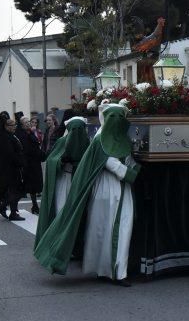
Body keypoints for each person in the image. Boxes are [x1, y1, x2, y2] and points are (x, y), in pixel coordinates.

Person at [34, 105, 141, 285]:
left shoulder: (118, 137)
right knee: (110, 229)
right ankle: (113, 272)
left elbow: (128, 157)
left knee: (112, 229)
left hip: (116, 190)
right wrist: (131, 173)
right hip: (110, 188)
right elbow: (111, 163)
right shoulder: (101, 139)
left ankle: (111, 269)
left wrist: (134, 167)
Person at [34, 116, 90, 248]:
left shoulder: (87, 143)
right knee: (61, 211)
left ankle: (75, 246)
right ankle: (58, 244)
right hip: (64, 181)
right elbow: (51, 160)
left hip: (78, 182)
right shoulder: (61, 142)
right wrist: (62, 161)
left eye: (79, 129)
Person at [0, 116, 25, 221]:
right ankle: (3, 207)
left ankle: (12, 211)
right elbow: (10, 153)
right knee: (17, 191)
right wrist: (20, 161)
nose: (14, 127)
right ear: (6, 126)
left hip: (12, 167)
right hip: (10, 168)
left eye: (15, 125)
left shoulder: (11, 135)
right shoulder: (6, 137)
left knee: (14, 191)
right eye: (12, 125)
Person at [17, 115, 45, 215]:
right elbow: (28, 148)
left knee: (33, 186)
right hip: (28, 163)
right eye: (26, 123)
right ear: (22, 125)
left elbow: (37, 144)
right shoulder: (22, 134)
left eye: (29, 122)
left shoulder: (30, 132)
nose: (29, 123)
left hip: (34, 162)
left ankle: (35, 206)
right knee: (26, 186)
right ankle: (6, 205)